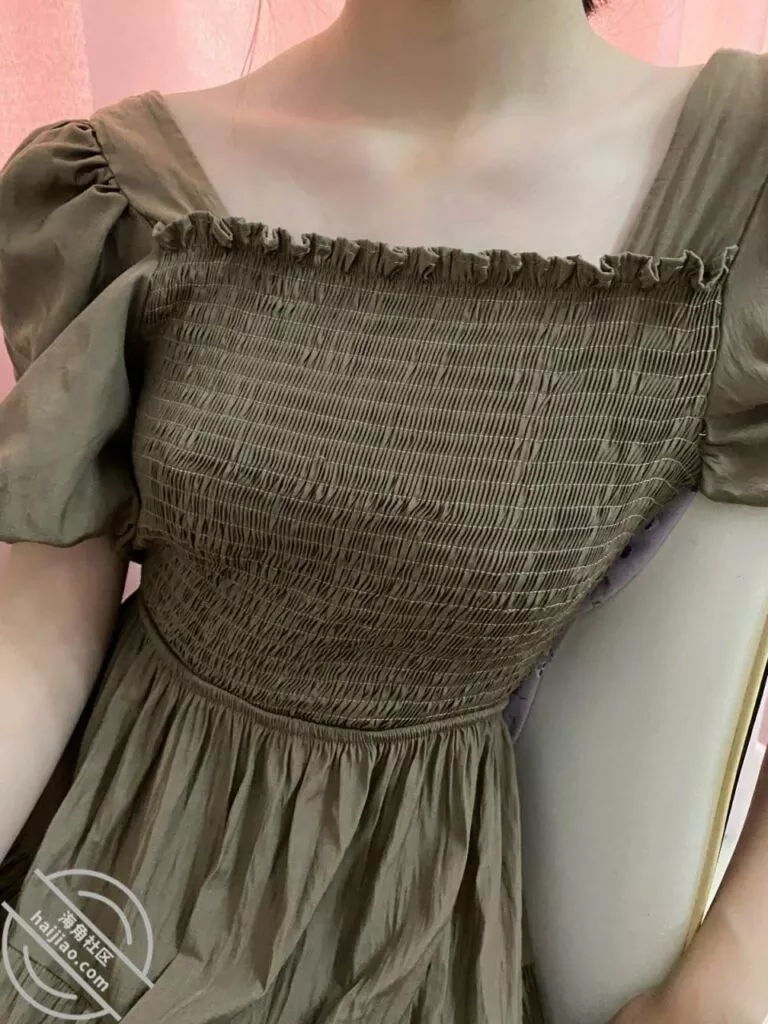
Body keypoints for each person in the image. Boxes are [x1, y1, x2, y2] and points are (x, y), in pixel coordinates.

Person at [1, 0, 768, 1020]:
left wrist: (729, 977)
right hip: (105, 853)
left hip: (404, 914)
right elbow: (43, 612)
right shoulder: (114, 190)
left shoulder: (738, 193)